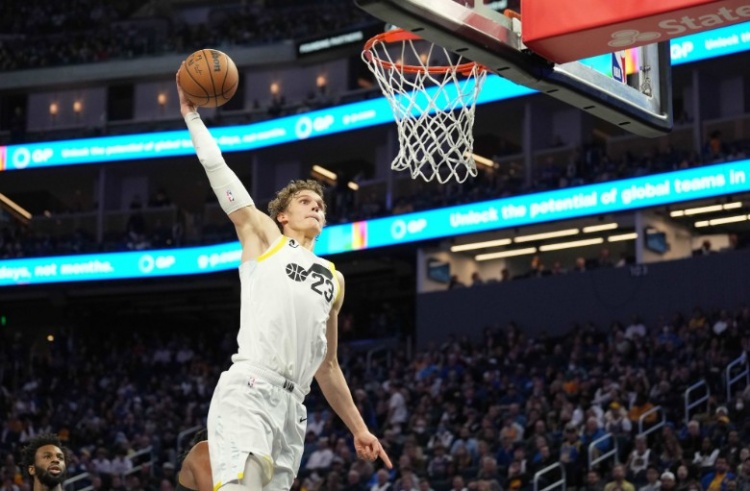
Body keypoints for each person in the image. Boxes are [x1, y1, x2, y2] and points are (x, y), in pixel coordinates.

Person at [176, 69, 392, 491]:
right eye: (305, 202)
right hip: (251, 389)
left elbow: (328, 366)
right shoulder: (265, 239)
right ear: (282, 216)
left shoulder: (334, 279)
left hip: (293, 410)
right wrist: (193, 118)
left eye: (320, 205)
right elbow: (221, 174)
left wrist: (359, 428)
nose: (316, 208)